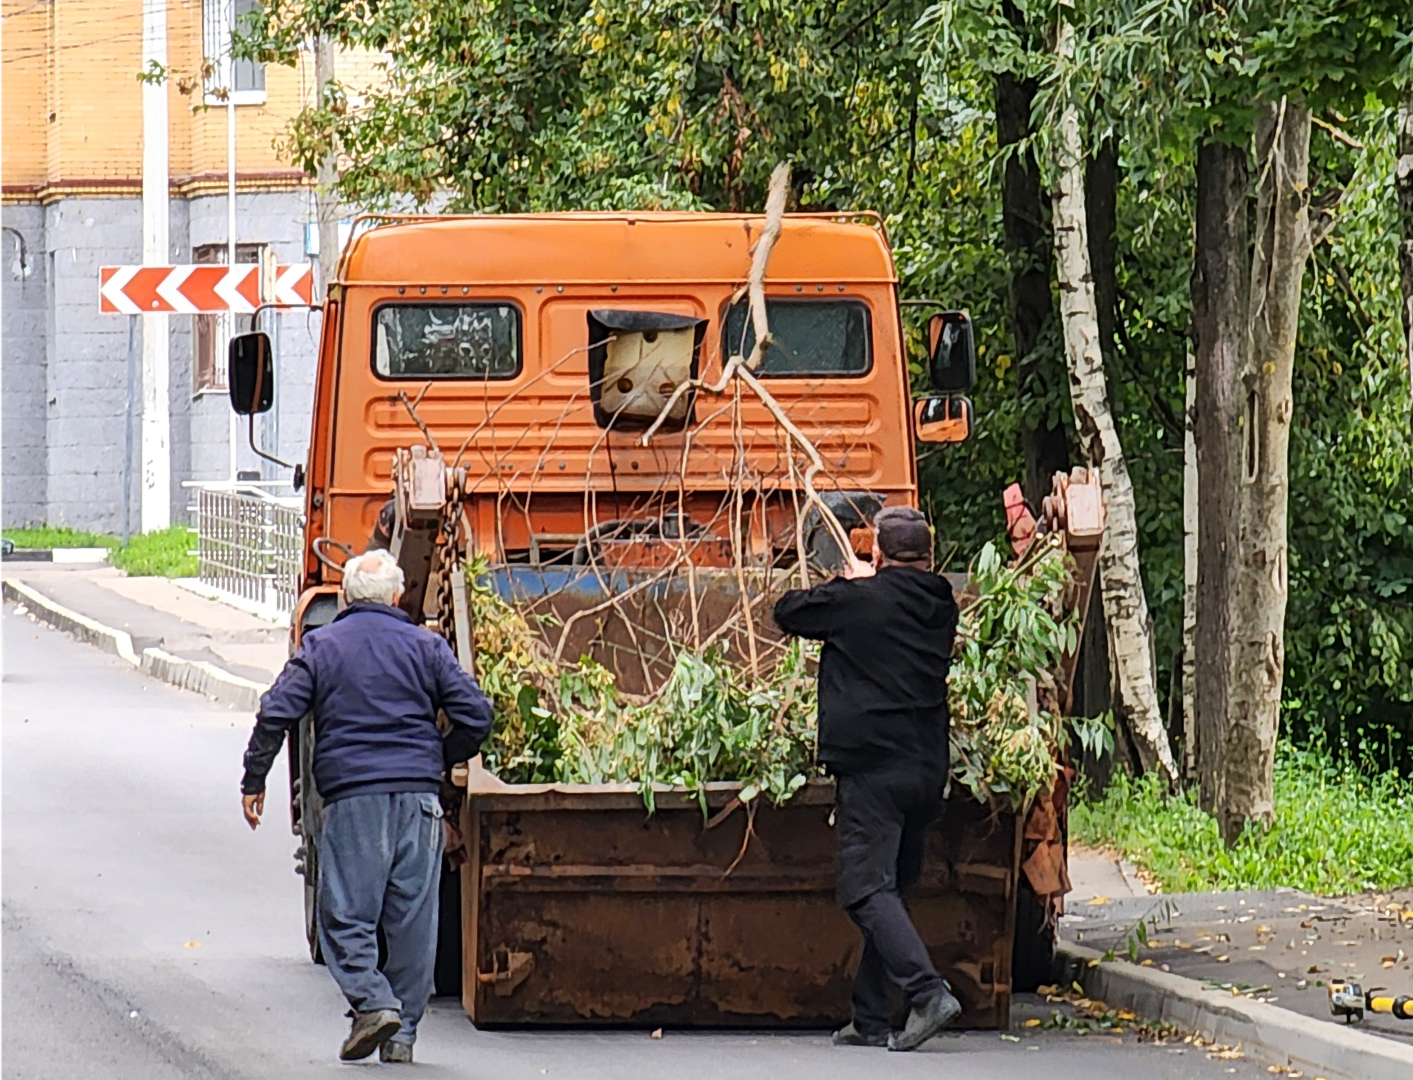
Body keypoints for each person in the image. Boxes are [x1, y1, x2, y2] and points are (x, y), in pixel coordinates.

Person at [239, 548, 494, 1064]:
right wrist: (437, 759)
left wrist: (255, 778)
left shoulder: (322, 646)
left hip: (356, 799)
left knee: (345, 917)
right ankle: (401, 1038)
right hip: (419, 803)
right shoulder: (427, 647)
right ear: (397, 597)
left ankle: (375, 1003)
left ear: (346, 598)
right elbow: (477, 714)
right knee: (413, 923)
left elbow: (276, 712)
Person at [773, 505, 962, 1052]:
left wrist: (849, 580)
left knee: (864, 890)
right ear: (929, 556)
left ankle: (927, 995)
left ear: (877, 553)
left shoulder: (859, 600)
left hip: (875, 770)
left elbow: (789, 612)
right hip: (927, 770)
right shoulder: (940, 603)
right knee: (892, 891)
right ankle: (872, 1014)